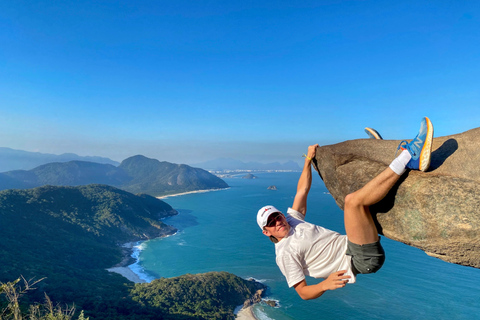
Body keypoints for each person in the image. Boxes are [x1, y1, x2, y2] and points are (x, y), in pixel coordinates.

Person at [257, 117, 433, 300]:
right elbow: (303, 293)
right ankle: (409, 157)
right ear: (266, 232)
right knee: (352, 202)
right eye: (271, 223)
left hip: (355, 242)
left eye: (277, 216)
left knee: (358, 193)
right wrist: (324, 285)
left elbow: (302, 190)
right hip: (361, 259)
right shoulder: (285, 253)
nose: (277, 222)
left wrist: (308, 159)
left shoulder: (292, 220)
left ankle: (383, 160)